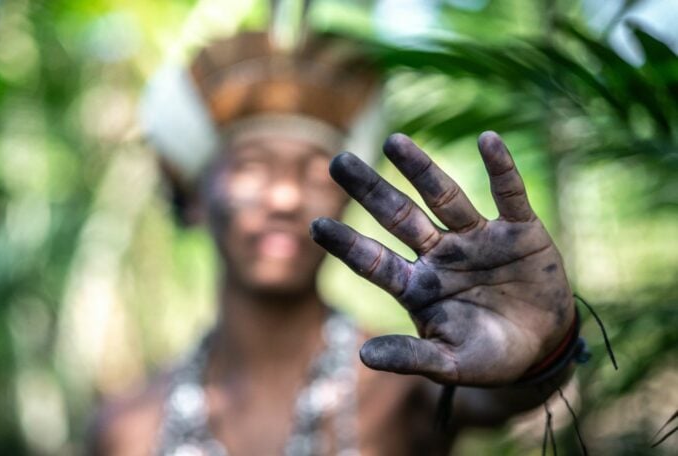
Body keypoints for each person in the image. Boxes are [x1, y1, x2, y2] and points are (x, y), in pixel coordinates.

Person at [92, 29, 581, 456]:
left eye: (313, 171)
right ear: (195, 196)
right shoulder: (126, 428)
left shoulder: (401, 386)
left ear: (348, 199)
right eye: (251, 167)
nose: (284, 197)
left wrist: (538, 347)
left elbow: (492, 394)